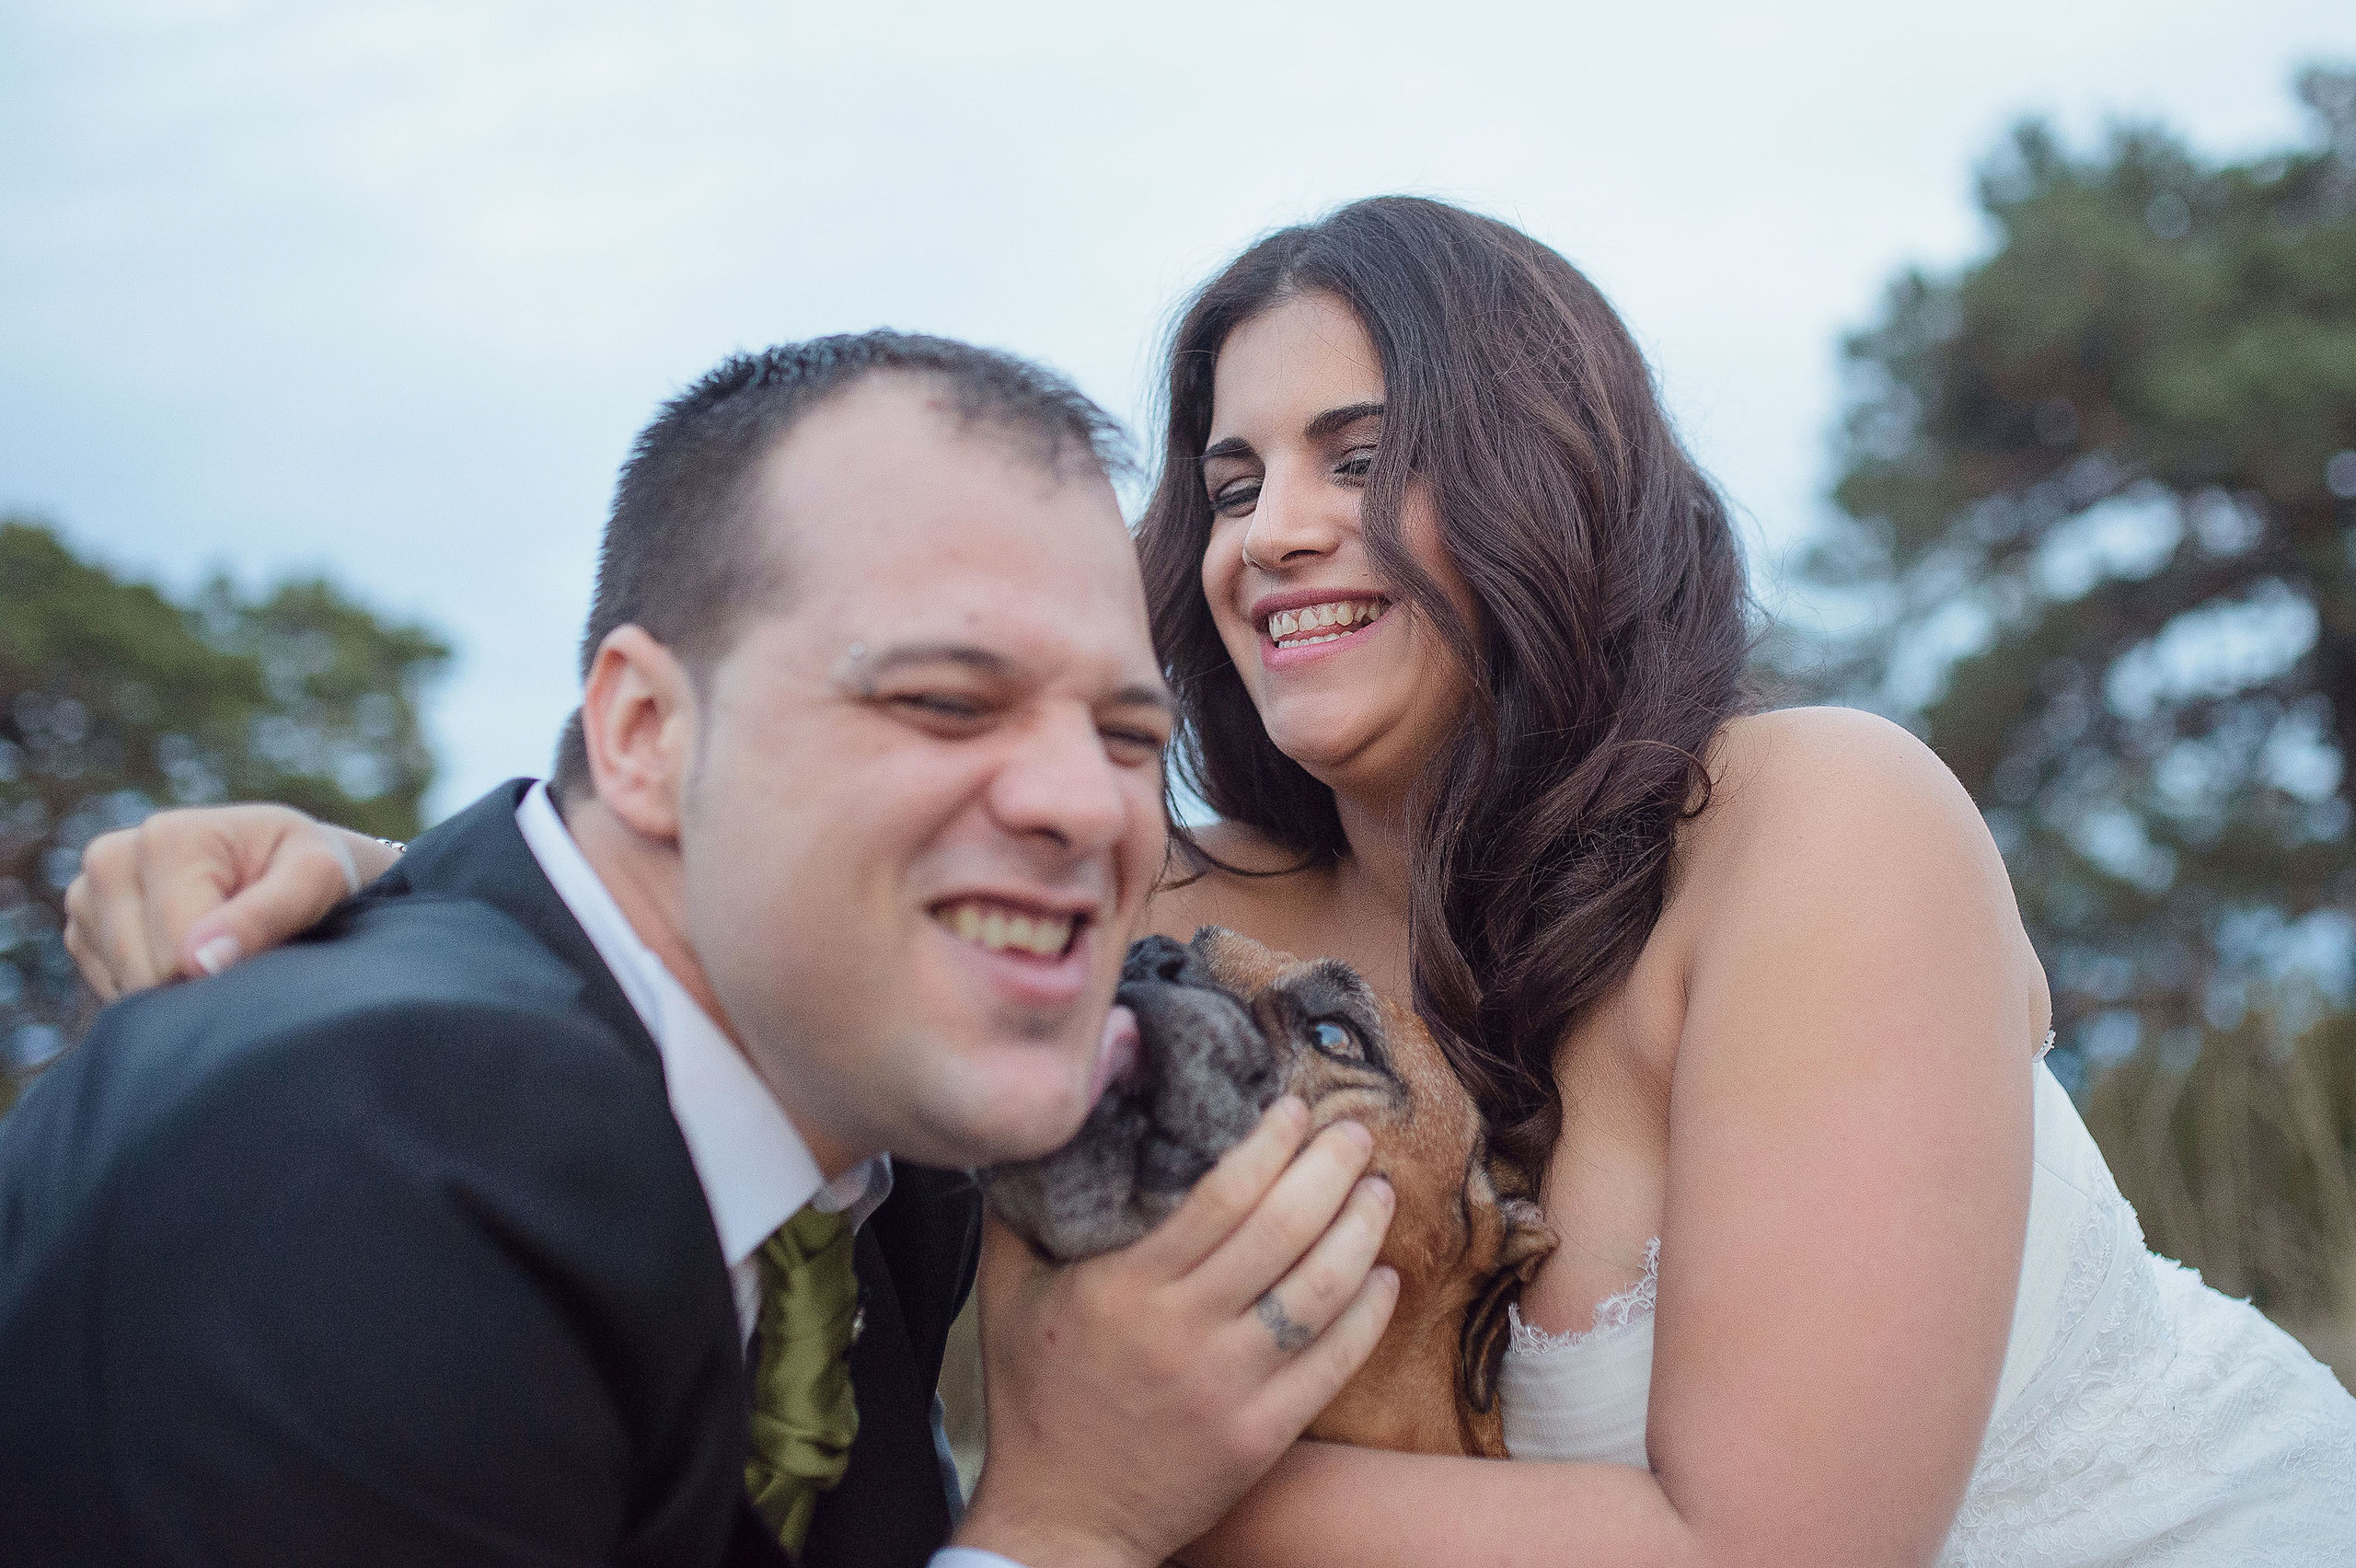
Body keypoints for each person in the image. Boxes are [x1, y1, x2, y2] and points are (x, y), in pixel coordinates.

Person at [61, 200, 2356, 1564]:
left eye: (1367, 456)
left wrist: (1097, 1491)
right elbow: (809, 890)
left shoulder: (1810, 816)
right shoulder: (1182, 908)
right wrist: (384, 875)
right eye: (1230, 468)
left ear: (1554, 475)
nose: (1267, 527)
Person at [2, 333, 1403, 1568]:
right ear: (645, 735)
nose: (1080, 805)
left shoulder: (881, 1167)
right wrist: (1061, 1534)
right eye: (946, 700)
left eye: (1125, 736)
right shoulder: (363, 1157)